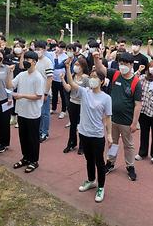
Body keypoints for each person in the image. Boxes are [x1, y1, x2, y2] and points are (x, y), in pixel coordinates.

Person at [65, 58, 113, 203]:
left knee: (99, 162)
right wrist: (68, 68)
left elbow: (108, 118)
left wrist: (109, 135)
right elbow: (72, 84)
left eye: (96, 78)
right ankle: (91, 180)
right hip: (84, 133)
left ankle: (101, 187)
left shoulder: (106, 98)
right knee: (88, 160)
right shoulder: (85, 92)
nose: (92, 80)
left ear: (102, 81)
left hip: (97, 135)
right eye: (91, 77)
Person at [94, 51, 142, 181]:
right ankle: (110, 162)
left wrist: (134, 123)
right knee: (112, 142)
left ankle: (130, 166)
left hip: (126, 121)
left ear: (132, 65)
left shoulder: (136, 82)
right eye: (121, 63)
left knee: (128, 145)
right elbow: (101, 69)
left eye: (125, 63)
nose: (122, 66)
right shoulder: (115, 74)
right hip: (112, 119)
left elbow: (138, 105)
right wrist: (96, 59)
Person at [9, 51, 45, 174]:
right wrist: (9, 72)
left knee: (33, 138)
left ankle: (34, 161)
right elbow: (10, 85)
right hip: (21, 111)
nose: (25, 61)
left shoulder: (38, 77)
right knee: (23, 137)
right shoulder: (22, 75)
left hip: (33, 113)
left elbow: (38, 96)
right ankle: (25, 158)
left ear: (34, 62)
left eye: (28, 59)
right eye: (25, 58)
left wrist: (21, 95)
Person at [61, 56, 90, 154]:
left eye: (78, 65)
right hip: (73, 103)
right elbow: (69, 88)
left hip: (82, 104)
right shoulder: (73, 76)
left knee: (82, 125)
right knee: (73, 124)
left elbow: (88, 93)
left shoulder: (86, 78)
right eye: (75, 64)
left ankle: (82, 146)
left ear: (83, 67)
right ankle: (71, 143)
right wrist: (62, 79)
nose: (76, 67)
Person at [33, 41, 54, 143]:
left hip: (44, 92)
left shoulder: (47, 61)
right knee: (37, 112)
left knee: (44, 113)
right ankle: (38, 130)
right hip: (35, 92)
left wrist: (46, 93)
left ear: (45, 49)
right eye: (36, 48)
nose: (38, 51)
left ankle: (45, 132)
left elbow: (50, 78)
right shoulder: (34, 61)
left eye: (40, 49)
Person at [51, 41, 68, 119]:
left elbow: (58, 66)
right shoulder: (52, 54)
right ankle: (53, 108)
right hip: (54, 78)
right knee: (54, 94)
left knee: (63, 95)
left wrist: (57, 57)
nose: (59, 49)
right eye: (58, 46)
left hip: (62, 79)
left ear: (64, 49)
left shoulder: (65, 57)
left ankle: (63, 111)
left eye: (61, 47)